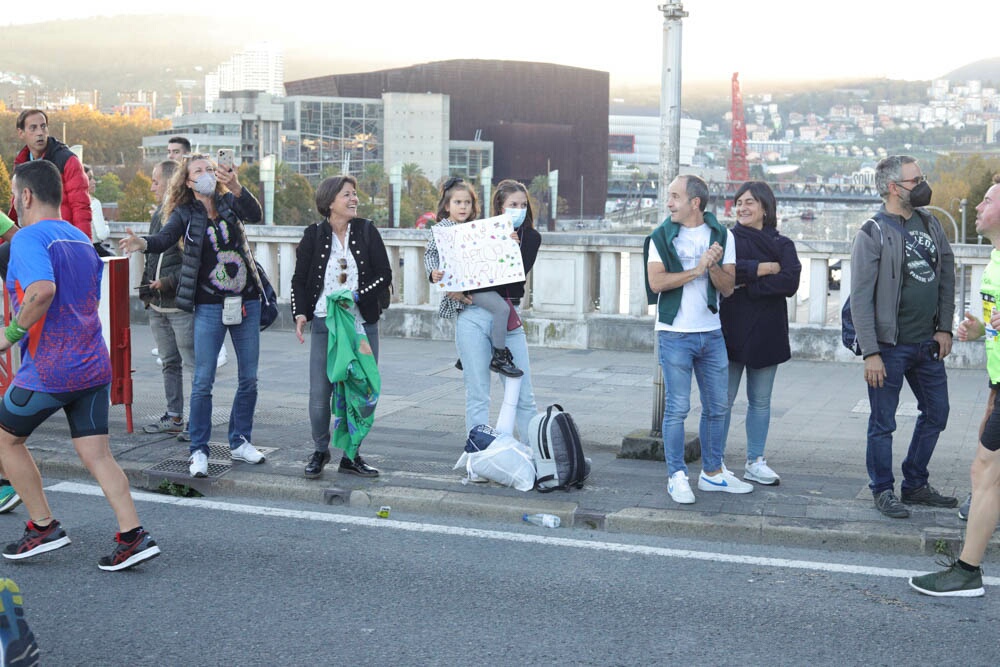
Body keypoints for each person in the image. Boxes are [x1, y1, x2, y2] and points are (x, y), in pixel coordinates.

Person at [0, 160, 160, 571]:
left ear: (26, 196)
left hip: (52, 368)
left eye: (14, 195)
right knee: (97, 455)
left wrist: (10, 336)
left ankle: (43, 525)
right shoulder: (79, 237)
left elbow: (41, 291)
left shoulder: (28, 239)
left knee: (5, 440)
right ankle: (133, 536)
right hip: (93, 365)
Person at [119, 153, 267, 478]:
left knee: (249, 378)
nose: (207, 174)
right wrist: (142, 242)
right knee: (203, 380)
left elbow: (255, 214)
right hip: (210, 305)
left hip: (246, 300)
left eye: (210, 169)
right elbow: (165, 238)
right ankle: (198, 449)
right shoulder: (184, 213)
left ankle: (240, 441)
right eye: (199, 171)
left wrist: (236, 185)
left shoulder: (230, 205)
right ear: (187, 181)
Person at [850, 155, 957, 518]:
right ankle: (882, 489)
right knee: (883, 422)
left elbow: (947, 275)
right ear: (894, 188)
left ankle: (915, 483)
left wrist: (944, 326)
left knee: (938, 412)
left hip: (927, 344)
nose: (923, 185)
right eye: (916, 180)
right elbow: (861, 298)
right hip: (888, 348)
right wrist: (870, 353)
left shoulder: (930, 223)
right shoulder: (872, 232)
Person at [910, 181, 1000, 597]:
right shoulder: (995, 258)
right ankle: (967, 569)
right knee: (985, 472)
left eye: (987, 200)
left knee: (985, 472)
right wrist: (979, 329)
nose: (979, 206)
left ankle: (967, 570)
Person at [644, 174, 751, 505]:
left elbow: (728, 287)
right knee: (678, 407)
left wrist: (714, 266)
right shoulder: (660, 236)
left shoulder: (722, 235)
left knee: (718, 406)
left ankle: (713, 473)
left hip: (711, 331)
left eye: (675, 196)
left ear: (695, 202)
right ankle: (677, 475)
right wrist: (698, 268)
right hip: (675, 333)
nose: (669, 203)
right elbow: (657, 283)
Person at [291, 175, 392, 479]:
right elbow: (299, 280)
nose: (354, 200)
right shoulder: (313, 235)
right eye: (347, 194)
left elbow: (384, 274)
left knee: (361, 390)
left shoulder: (366, 230)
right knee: (321, 391)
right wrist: (300, 314)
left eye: (354, 194)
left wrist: (358, 296)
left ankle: (352, 454)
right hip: (326, 322)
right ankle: (320, 450)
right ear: (330, 201)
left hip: (362, 324)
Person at [425, 178, 541, 442]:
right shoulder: (480, 230)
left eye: (523, 205)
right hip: (473, 316)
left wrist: (506, 246)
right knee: (477, 394)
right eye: (513, 204)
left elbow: (514, 278)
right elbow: (454, 265)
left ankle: (537, 457)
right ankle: (477, 457)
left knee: (524, 395)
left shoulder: (531, 237)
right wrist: (453, 285)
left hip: (508, 316)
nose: (519, 209)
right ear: (500, 206)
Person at [720, 181, 801, 485]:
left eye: (750, 202)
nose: (742, 207)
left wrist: (747, 285)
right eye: (739, 202)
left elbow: (790, 283)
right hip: (730, 328)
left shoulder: (784, 245)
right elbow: (724, 273)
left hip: (767, 330)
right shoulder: (726, 239)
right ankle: (716, 463)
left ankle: (755, 460)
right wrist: (764, 268)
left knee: (761, 401)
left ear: (765, 208)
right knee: (722, 401)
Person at [425, 177, 522, 378]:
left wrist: (509, 240)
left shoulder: (476, 227)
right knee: (502, 309)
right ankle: (499, 356)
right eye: (458, 202)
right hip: (462, 287)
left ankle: (468, 355)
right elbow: (430, 254)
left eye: (467, 203)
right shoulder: (441, 229)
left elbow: (492, 251)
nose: (463, 207)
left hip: (476, 283)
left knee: (496, 311)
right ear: (447, 205)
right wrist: (433, 272)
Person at [139, 159, 195, 438]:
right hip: (157, 306)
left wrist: (167, 283)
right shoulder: (158, 212)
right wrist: (147, 294)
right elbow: (151, 255)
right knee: (169, 363)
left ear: (171, 182)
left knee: (194, 365)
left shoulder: (187, 214)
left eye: (155, 180)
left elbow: (193, 263)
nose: (152, 186)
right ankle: (174, 417)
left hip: (180, 306)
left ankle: (197, 422)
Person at [83, 164, 112, 257]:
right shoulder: (94, 203)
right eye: (90, 178)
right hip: (94, 251)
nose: (94, 182)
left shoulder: (69, 202)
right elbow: (102, 235)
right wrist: (106, 226)